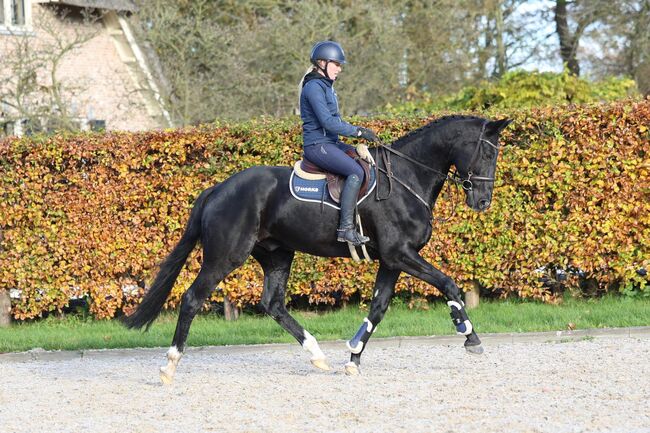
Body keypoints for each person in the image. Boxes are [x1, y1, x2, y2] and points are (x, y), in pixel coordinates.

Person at [299, 40, 379, 246]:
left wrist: (359, 136)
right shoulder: (314, 87)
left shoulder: (327, 88)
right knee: (356, 172)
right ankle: (345, 229)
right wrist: (358, 131)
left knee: (366, 162)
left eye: (340, 65)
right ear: (322, 63)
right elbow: (327, 122)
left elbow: (336, 121)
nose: (340, 69)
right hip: (317, 146)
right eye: (337, 64)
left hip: (331, 143)